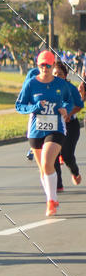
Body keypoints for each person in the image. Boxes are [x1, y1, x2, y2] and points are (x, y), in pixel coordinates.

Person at [15, 50, 73, 217]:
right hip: (36, 130)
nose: (45, 68)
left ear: (53, 65)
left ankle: (51, 201)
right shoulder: (31, 83)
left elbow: (70, 100)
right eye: (42, 65)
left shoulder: (60, 84)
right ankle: (51, 198)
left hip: (56, 128)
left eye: (48, 65)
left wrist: (66, 109)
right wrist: (35, 107)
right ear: (37, 65)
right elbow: (19, 105)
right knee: (43, 169)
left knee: (48, 162)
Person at [52, 60, 83, 190]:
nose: (57, 76)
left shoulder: (70, 88)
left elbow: (79, 105)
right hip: (54, 125)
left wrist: (69, 114)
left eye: (60, 74)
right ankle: (57, 184)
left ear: (65, 75)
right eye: (54, 73)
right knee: (53, 155)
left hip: (70, 125)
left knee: (67, 155)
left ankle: (75, 172)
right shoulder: (48, 87)